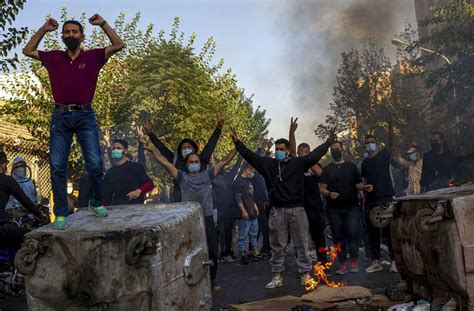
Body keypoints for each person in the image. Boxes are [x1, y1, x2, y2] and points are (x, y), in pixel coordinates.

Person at [22, 16, 124, 229]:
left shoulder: (94, 56)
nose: (70, 35)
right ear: (62, 36)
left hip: (85, 115)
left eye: (74, 32)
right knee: (58, 166)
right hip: (60, 116)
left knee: (95, 164)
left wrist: (103, 24)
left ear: (82, 36)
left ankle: (96, 202)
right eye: (67, 32)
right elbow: (27, 50)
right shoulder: (53, 58)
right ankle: (60, 213)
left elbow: (118, 44)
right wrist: (44, 29)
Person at [230, 123, 335, 289]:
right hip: (277, 211)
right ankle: (277, 275)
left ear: (287, 150)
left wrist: (328, 142)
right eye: (276, 148)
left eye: (281, 148)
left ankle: (305, 274)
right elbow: (251, 156)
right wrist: (238, 143)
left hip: (298, 210)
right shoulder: (269, 165)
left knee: (301, 243)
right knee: (277, 245)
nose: (277, 151)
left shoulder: (298, 163)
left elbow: (314, 155)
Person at [146, 143, 237, 292]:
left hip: (206, 216)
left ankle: (212, 278)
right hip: (189, 219)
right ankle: (189, 278)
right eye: (191, 162)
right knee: (189, 250)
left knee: (213, 250)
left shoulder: (207, 174)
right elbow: (165, 163)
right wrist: (153, 151)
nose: (194, 164)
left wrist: (237, 146)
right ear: (186, 165)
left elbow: (224, 161)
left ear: (200, 164)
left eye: (196, 162)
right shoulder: (181, 176)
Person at [319, 141, 373, 275]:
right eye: (332, 150)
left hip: (352, 207)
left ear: (342, 149)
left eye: (337, 149)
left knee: (352, 231)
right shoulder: (327, 169)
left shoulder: (351, 166)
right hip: (334, 209)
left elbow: (358, 184)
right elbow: (322, 189)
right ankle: (342, 262)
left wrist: (365, 187)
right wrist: (329, 194)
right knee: (338, 235)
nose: (335, 152)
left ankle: (354, 259)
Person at [144, 114, 224, 203]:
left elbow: (211, 145)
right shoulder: (176, 161)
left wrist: (219, 128)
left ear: (194, 149)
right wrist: (151, 135)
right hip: (180, 203)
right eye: (184, 148)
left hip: (201, 203)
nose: (186, 149)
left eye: (189, 147)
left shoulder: (202, 160)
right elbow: (163, 149)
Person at [289, 117, 327, 263]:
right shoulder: (295, 164)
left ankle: (324, 264)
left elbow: (319, 173)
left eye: (306, 152)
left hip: (315, 207)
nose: (303, 154)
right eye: (301, 152)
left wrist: (309, 160)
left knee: (319, 239)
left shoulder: (316, 164)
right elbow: (291, 150)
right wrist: (292, 132)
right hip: (300, 208)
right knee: (301, 240)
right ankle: (302, 268)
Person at [361, 134, 397, 273]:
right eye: (368, 142)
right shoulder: (364, 163)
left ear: (377, 143)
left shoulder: (383, 156)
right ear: (365, 145)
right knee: (372, 232)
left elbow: (391, 143)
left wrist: (389, 126)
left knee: (388, 231)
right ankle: (376, 261)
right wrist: (364, 197)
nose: (370, 144)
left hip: (385, 197)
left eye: (372, 142)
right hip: (370, 200)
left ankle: (394, 261)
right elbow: (364, 181)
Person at [0, 152, 44, 249]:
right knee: (32, 236)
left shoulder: (30, 182)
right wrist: (39, 213)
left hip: (21, 216)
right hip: (3, 228)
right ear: (4, 165)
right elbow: (25, 200)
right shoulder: (7, 180)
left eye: (22, 166)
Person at [102, 139, 154, 206]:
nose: (115, 150)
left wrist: (139, 190)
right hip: (117, 210)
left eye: (118, 148)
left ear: (125, 151)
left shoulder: (136, 167)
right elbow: (106, 197)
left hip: (136, 209)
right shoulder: (110, 172)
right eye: (113, 149)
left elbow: (150, 184)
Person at [212, 155, 243, 263]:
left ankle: (218, 254)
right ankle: (227, 253)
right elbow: (237, 166)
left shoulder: (213, 178)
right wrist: (240, 156)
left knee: (218, 233)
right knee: (226, 232)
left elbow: (236, 166)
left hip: (219, 210)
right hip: (225, 210)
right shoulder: (228, 176)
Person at [234, 164, 260, 265]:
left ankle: (254, 252)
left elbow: (250, 195)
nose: (253, 173)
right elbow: (238, 198)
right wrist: (243, 210)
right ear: (247, 169)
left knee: (254, 234)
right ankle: (243, 254)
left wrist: (255, 206)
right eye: (252, 171)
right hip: (245, 213)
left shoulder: (249, 181)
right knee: (242, 236)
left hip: (252, 212)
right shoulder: (238, 182)